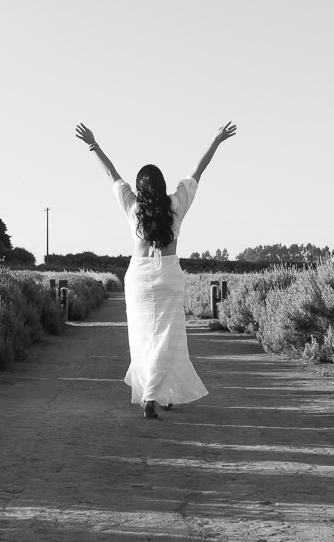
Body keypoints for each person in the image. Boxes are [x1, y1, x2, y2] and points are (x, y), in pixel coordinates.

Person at [75, 121, 237, 419]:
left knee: (142, 339)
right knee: (167, 338)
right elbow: (197, 172)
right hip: (168, 276)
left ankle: (153, 394)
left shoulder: (134, 208)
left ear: (140, 188)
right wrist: (216, 141)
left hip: (138, 277)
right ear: (162, 185)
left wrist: (93, 144)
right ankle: (157, 393)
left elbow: (112, 175)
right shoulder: (176, 205)